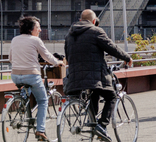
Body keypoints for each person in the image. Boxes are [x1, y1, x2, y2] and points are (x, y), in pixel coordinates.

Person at [64, 10, 132, 142]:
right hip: (95, 75)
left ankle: (92, 124)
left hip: (74, 77)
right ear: (94, 21)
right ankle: (101, 125)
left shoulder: (69, 35)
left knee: (93, 94)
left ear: (80, 20)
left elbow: (68, 56)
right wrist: (126, 57)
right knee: (111, 96)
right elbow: (111, 47)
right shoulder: (96, 31)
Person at [10, 16, 63, 142]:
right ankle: (40, 130)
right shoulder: (35, 40)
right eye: (38, 28)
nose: (40, 30)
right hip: (32, 75)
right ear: (31, 29)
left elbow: (11, 58)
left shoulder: (14, 39)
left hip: (15, 75)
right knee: (43, 101)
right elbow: (47, 56)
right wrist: (57, 63)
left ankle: (23, 100)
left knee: (26, 86)